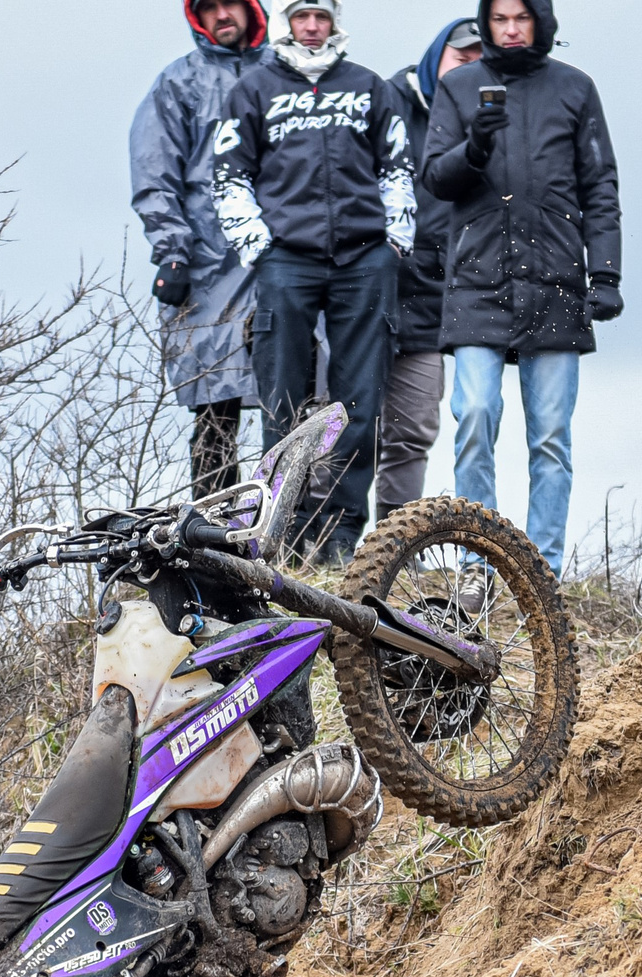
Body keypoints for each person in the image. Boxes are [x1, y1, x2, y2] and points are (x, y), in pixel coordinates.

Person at [213, 0, 414, 560]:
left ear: (334, 22)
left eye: (321, 16)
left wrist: (394, 243)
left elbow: (398, 168)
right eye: (302, 16)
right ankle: (282, 532)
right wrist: (259, 248)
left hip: (364, 259)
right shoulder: (253, 90)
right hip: (287, 260)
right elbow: (228, 176)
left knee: (359, 402)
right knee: (282, 399)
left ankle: (342, 534)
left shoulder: (369, 87)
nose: (311, 27)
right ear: (287, 21)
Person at [424, 0, 620, 572]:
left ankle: (543, 573)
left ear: (541, 20)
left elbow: (600, 186)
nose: (510, 29)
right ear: (486, 22)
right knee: (475, 416)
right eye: (500, 18)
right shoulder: (459, 87)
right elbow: (435, 178)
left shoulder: (576, 88)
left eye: (522, 17)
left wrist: (606, 273)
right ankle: (476, 567)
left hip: (557, 281)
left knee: (551, 438)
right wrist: (474, 147)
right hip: (477, 279)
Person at [132, 0, 274, 497]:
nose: (221, 14)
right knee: (215, 407)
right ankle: (214, 525)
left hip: (283, 255)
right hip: (208, 265)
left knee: (298, 401)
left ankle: (298, 527)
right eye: (209, 6)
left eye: (230, 2)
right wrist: (172, 251)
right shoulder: (179, 82)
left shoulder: (285, 74)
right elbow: (154, 173)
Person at [375, 18, 478, 516]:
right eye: (461, 57)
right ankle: (325, 546)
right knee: (338, 429)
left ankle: (391, 547)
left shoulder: (483, 125)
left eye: (479, 61)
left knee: (412, 432)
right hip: (362, 298)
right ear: (438, 55)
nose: (468, 69)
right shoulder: (383, 101)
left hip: (428, 306)